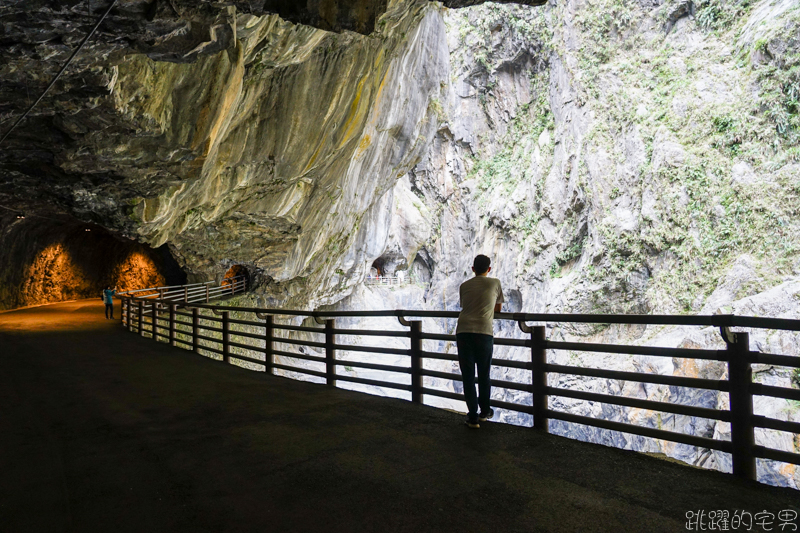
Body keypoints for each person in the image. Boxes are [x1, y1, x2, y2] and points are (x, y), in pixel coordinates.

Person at [456, 255, 504, 429]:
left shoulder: (464, 286)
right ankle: (485, 412)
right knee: (484, 373)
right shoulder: (495, 283)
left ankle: (473, 417)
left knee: (468, 376)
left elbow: (465, 305)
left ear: (472, 269)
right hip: (484, 332)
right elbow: (497, 308)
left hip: (463, 331)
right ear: (489, 269)